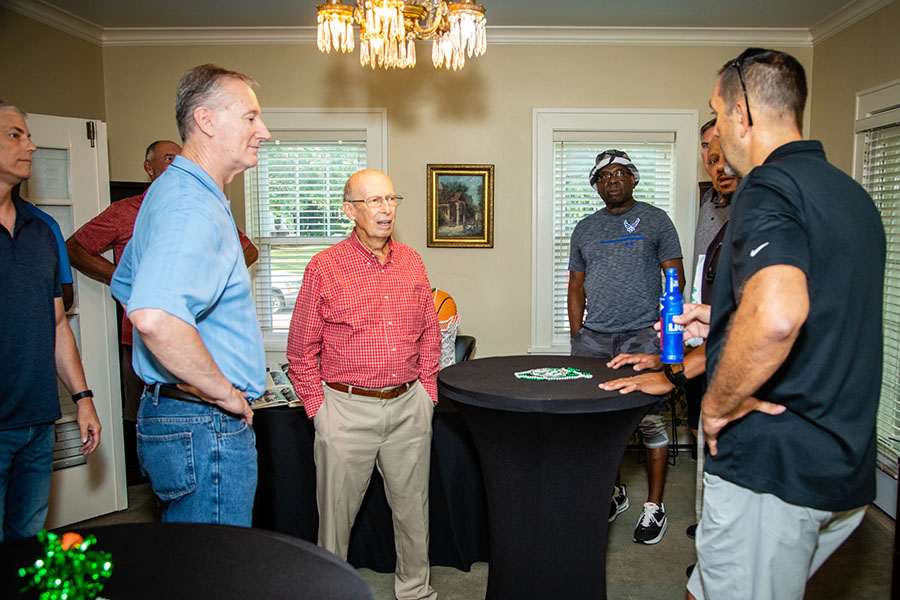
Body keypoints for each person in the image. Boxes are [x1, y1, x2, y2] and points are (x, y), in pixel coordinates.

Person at [685, 48, 885, 600]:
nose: (719, 135)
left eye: (718, 115)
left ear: (743, 113)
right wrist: (721, 315)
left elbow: (778, 314)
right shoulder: (849, 194)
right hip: (842, 466)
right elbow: (825, 303)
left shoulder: (766, 187)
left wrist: (716, 403)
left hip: (774, 471)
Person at [110, 64, 270, 525]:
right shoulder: (190, 206)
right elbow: (154, 316)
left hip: (184, 416)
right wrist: (226, 395)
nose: (263, 130)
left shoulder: (171, 193)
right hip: (203, 423)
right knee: (213, 575)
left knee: (189, 567)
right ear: (206, 120)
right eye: (250, 117)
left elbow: (127, 286)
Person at [287, 169, 441, 600]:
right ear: (348, 210)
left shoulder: (412, 260)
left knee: (414, 514)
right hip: (345, 410)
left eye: (391, 199)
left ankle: (415, 591)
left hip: (409, 405)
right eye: (373, 201)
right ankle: (329, 592)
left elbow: (430, 332)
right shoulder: (325, 267)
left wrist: (427, 392)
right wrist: (320, 411)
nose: (385, 209)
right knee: (335, 521)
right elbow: (300, 349)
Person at [66, 140, 258, 484]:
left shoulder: (203, 206)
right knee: (146, 418)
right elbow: (75, 248)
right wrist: (123, 279)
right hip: (142, 342)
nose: (177, 163)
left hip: (197, 340)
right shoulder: (127, 211)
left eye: (180, 157)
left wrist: (208, 279)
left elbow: (249, 250)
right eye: (168, 157)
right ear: (149, 167)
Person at [567, 148, 684, 544]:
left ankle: (655, 505)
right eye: (603, 176)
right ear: (596, 185)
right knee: (598, 421)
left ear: (634, 179)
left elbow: (675, 282)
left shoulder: (656, 221)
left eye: (619, 173)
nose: (612, 180)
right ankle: (615, 492)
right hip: (595, 340)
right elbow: (576, 287)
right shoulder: (584, 228)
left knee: (650, 420)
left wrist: (667, 340)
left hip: (643, 337)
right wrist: (576, 335)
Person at [0, 102, 101, 542]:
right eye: (14, 135)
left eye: (28, 134)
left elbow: (57, 324)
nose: (31, 145)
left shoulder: (42, 230)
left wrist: (82, 398)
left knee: (26, 546)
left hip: (37, 421)